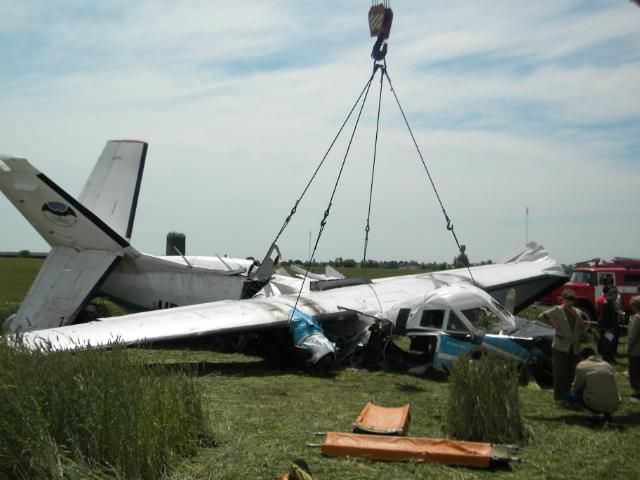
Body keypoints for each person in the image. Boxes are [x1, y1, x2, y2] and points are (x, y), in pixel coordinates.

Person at [539, 289, 586, 404]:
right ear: (563, 300)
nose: (570, 302)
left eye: (572, 300)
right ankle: (559, 397)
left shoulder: (578, 312)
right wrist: (554, 325)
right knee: (560, 372)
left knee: (570, 372)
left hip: (574, 347)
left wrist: (577, 316)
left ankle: (567, 394)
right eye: (568, 300)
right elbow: (541, 316)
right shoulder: (557, 310)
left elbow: (583, 327)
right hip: (560, 346)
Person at [570, 347, 620, 421]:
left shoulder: (582, 365)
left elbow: (577, 387)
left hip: (595, 403)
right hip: (614, 404)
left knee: (570, 396)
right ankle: (607, 414)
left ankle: (591, 415)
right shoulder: (607, 365)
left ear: (581, 357)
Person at [598, 287, 620, 363]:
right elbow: (606, 317)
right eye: (616, 294)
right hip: (608, 327)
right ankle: (607, 357)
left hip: (611, 327)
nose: (617, 296)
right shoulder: (607, 303)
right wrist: (607, 328)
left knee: (610, 342)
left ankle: (609, 357)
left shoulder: (610, 303)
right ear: (612, 294)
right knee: (608, 343)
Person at [628, 295, 640, 403]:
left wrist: (629, 347)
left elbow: (633, 335)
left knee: (635, 370)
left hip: (636, 350)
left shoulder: (636, 318)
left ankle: (636, 391)